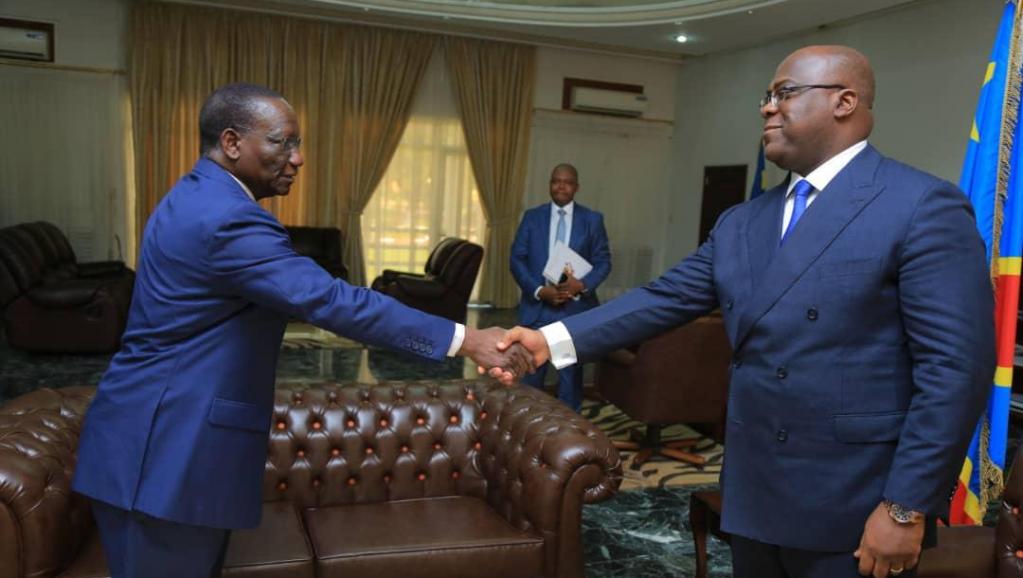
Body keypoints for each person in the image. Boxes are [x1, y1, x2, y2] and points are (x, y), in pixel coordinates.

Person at [494, 46, 995, 578]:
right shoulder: (742, 220)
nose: (767, 108)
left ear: (845, 102)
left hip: (853, 502)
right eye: (767, 96)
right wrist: (548, 341)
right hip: (755, 491)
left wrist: (905, 507)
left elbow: (955, 369)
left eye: (785, 93)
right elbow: (663, 297)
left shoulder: (919, 205)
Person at [71, 83, 530, 578]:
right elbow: (333, 301)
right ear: (232, 143)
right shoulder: (228, 218)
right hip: (164, 452)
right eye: (282, 142)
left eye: (297, 143)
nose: (298, 158)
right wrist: (471, 340)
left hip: (159, 445)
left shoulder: (197, 193)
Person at [509, 163, 611, 411]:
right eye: (556, 181)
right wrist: (539, 290)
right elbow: (517, 259)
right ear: (550, 184)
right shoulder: (532, 217)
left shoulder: (592, 220)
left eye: (567, 182)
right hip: (538, 310)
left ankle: (568, 430)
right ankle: (529, 424)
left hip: (572, 313)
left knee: (569, 379)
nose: (561, 186)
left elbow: (603, 262)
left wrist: (582, 285)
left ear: (576, 187)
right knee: (531, 374)